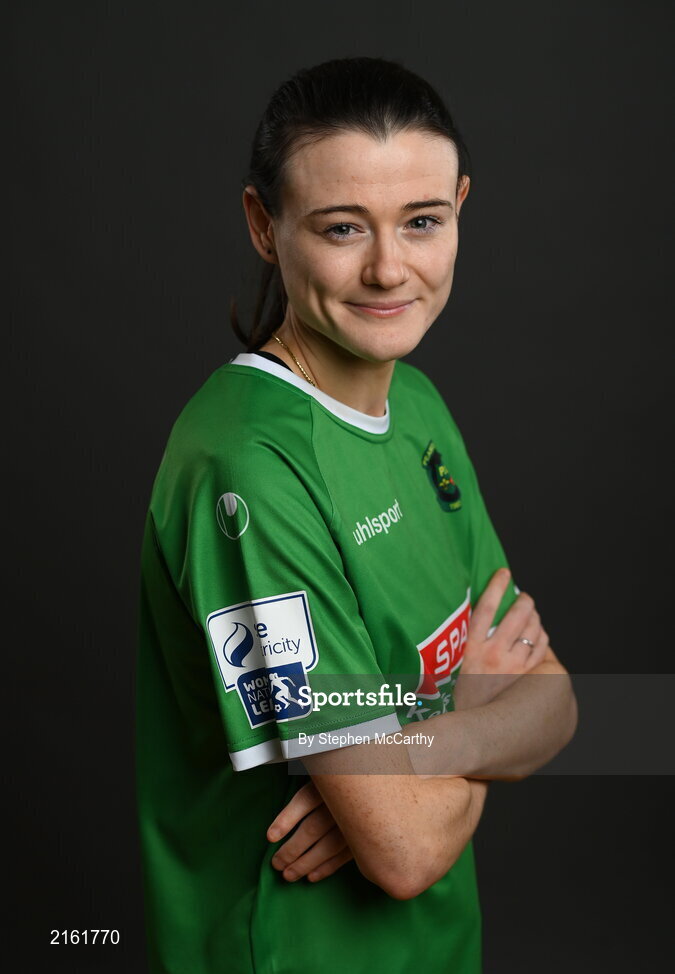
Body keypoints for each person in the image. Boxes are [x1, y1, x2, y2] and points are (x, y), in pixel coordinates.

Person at [135, 56, 577, 974]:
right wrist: (460, 738)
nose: (388, 268)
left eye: (423, 221)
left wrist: (411, 754)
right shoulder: (249, 470)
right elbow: (406, 850)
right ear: (265, 225)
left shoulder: (415, 406)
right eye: (342, 227)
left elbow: (557, 705)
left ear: (460, 205)